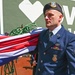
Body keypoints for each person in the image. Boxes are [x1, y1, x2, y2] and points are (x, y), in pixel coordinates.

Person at [32, 2, 75, 75]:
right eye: (45, 15)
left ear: (60, 17)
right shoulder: (42, 34)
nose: (46, 18)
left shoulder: (69, 38)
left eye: (50, 15)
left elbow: (73, 66)